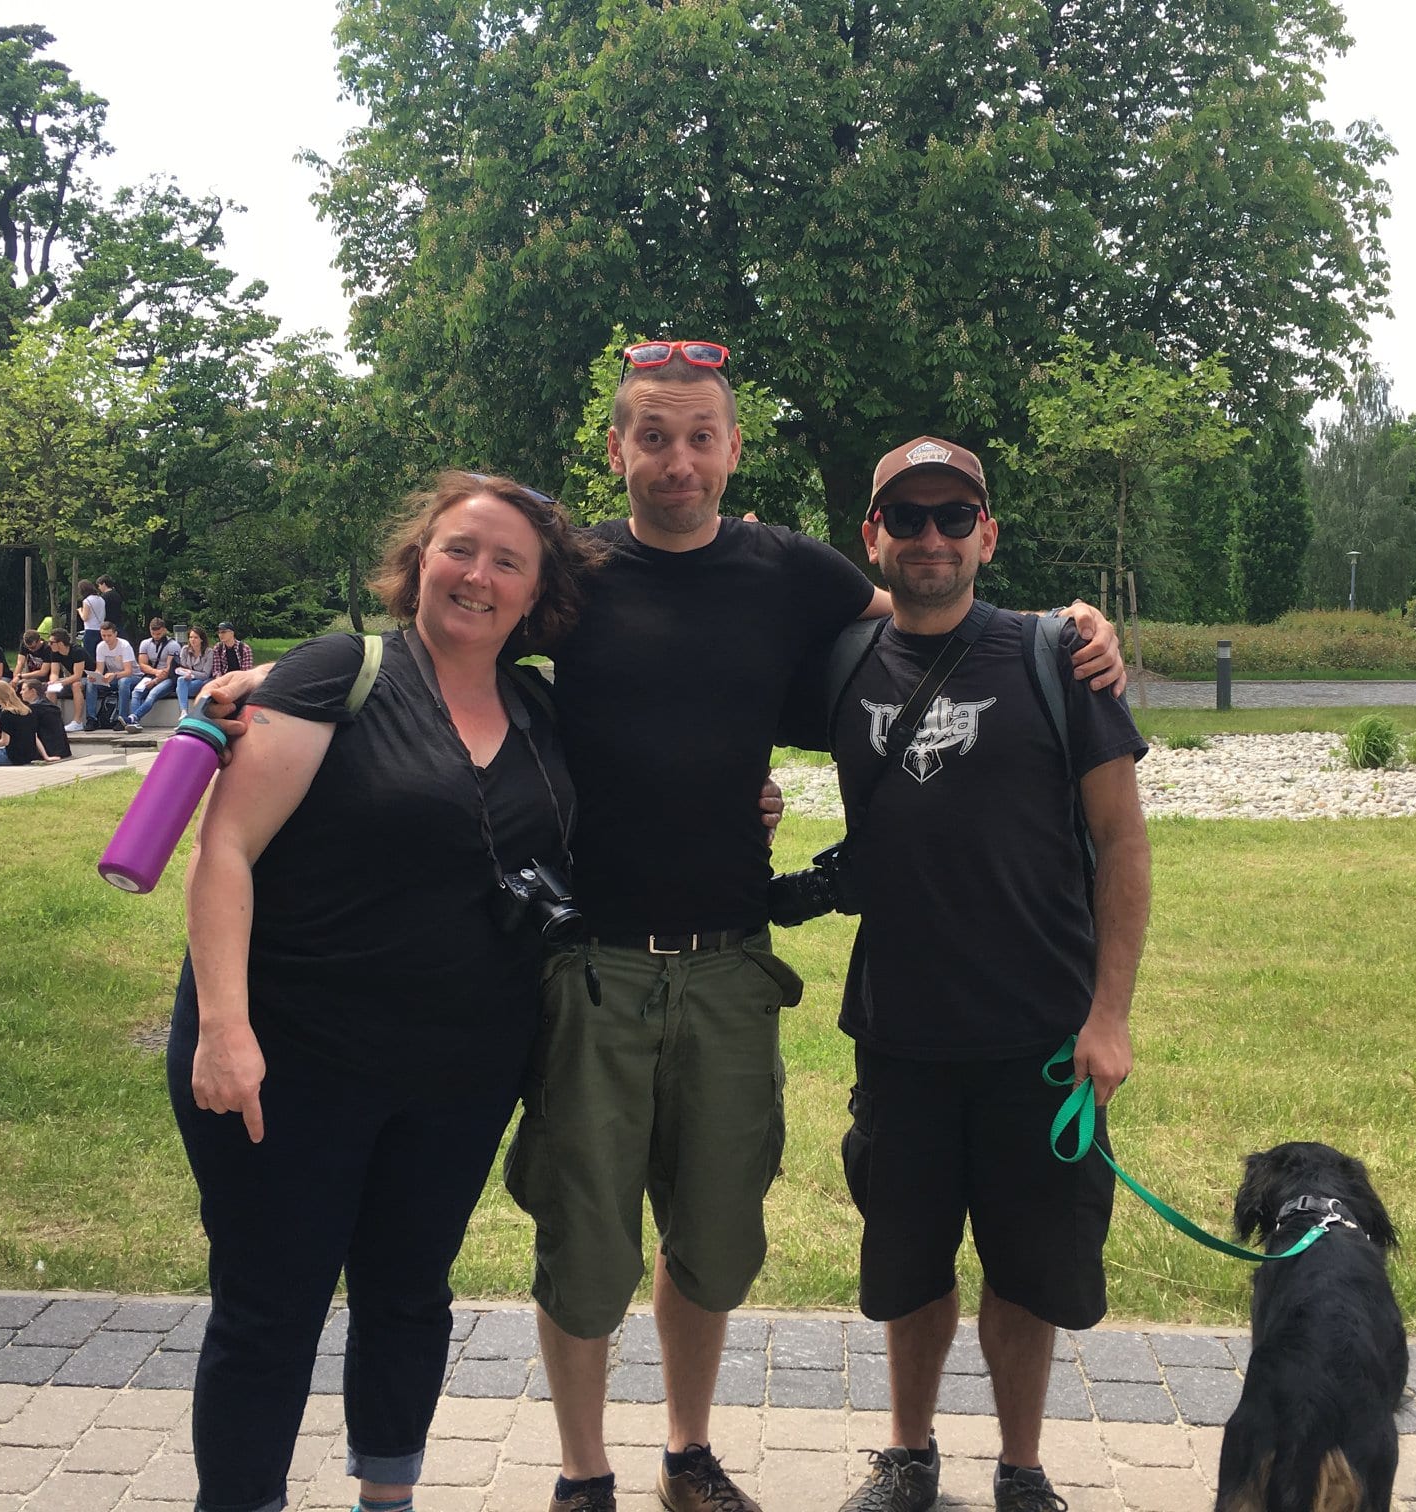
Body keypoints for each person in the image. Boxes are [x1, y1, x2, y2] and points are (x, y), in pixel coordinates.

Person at [207, 343, 1127, 1512]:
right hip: (590, 966)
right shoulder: (571, 577)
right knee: (584, 1243)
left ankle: (689, 1455)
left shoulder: (791, 572)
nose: (678, 459)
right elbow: (447, 632)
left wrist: (1063, 626)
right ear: (617, 450)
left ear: (734, 450)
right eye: (653, 435)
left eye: (700, 436)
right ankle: (583, 1475)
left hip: (732, 967)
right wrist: (281, 674)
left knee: (716, 1239)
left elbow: (929, 607)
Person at [175, 471, 605, 1512]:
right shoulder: (339, 674)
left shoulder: (542, 709)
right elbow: (224, 849)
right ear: (419, 560)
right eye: (460, 549)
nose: (479, 575)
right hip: (292, 1058)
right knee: (270, 1304)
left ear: (535, 594)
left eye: (509, 561)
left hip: (459, 1074)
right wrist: (224, 1031)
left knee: (411, 1296)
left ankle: (389, 1496)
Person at [826, 439, 1149, 1512]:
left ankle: (1021, 1468)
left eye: (953, 518)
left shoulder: (1060, 659)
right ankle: (909, 1456)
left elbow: (1125, 845)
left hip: (1041, 1037)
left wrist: (1109, 1018)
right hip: (901, 1033)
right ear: (873, 535)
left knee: (1028, 1273)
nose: (930, 538)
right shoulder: (837, 662)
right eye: (906, 519)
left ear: (987, 535)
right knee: (908, 1272)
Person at [121, 617, 182, 730]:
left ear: (164, 630)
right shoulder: (145, 643)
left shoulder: (173, 645)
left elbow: (169, 669)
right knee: (136, 692)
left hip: (168, 678)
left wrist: (155, 681)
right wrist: (155, 672)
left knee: (152, 695)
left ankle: (134, 717)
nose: (156, 636)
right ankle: (134, 722)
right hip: (152, 674)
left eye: (158, 633)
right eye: (153, 633)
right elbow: (142, 665)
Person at [0, 679, 53, 765]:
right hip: (29, 755)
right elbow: (34, 737)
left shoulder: (6, 713)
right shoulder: (27, 710)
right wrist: (46, 756)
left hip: (13, 756)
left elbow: (5, 741)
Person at [86, 622, 135, 727]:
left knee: (123, 682)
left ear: (115, 634)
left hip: (132, 677)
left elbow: (128, 671)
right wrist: (95, 676)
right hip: (112, 677)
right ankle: (92, 719)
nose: (106, 639)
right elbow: (99, 669)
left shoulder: (124, 646)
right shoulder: (100, 647)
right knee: (90, 683)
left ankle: (122, 718)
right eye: (103, 636)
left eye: (109, 635)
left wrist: (114, 675)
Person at [45, 628, 87, 731]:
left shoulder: (77, 651)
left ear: (60, 643)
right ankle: (53, 721)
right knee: (50, 689)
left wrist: (61, 682)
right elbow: (54, 672)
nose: (49, 645)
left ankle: (77, 721)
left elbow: (78, 675)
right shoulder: (54, 652)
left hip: (88, 678)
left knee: (76, 685)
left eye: (51, 642)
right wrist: (53, 681)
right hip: (72, 678)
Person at [25, 678, 72, 760]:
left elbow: (31, 733)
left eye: (23, 689)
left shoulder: (34, 708)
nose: (21, 692)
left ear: (33, 691)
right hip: (62, 751)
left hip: (47, 751)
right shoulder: (51, 706)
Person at [176, 626, 211, 714]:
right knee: (180, 681)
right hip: (187, 680)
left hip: (201, 682)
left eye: (196, 637)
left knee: (179, 688)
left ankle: (183, 712)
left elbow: (205, 675)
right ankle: (184, 711)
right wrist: (185, 673)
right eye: (191, 637)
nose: (193, 640)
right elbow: (182, 668)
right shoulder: (185, 650)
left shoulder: (209, 652)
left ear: (201, 639)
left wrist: (190, 672)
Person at [78, 578, 107, 668]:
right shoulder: (101, 599)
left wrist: (80, 611)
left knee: (89, 655)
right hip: (100, 629)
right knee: (99, 654)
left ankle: (91, 673)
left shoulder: (87, 601)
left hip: (90, 630)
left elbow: (85, 618)